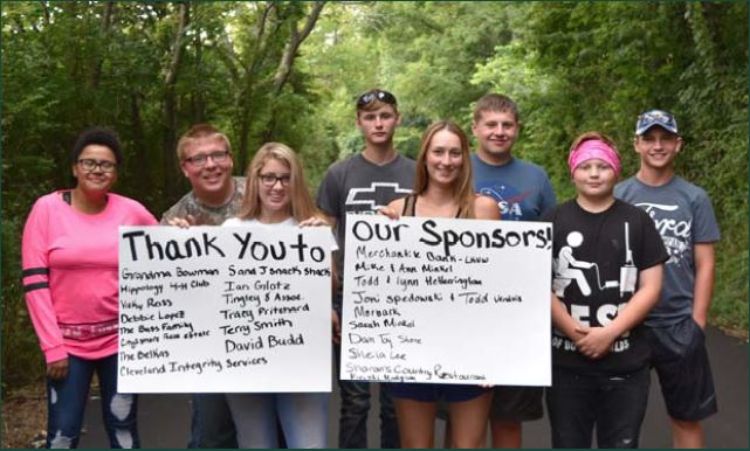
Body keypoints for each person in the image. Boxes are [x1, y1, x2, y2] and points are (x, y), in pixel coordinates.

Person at [21, 127, 158, 448]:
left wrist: (182, 230)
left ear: (116, 172)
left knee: (123, 429)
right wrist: (52, 346)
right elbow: (35, 282)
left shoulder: (131, 211)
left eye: (106, 164)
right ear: (74, 168)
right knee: (62, 434)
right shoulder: (47, 209)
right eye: (89, 162)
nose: (98, 169)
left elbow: (167, 253)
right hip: (68, 347)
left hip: (121, 344)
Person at [543, 131, 668, 448]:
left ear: (617, 169)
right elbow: (539, 286)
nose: (594, 173)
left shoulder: (639, 221)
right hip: (565, 365)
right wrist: (576, 334)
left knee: (622, 443)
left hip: (627, 367)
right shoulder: (552, 220)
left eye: (603, 166)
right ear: (573, 171)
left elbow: (651, 287)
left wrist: (609, 333)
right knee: (568, 443)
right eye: (586, 166)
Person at [380, 120, 501, 448]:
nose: (446, 161)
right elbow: (384, 288)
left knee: (466, 447)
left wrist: (499, 354)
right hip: (412, 349)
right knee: (416, 446)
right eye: (438, 152)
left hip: (471, 348)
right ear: (424, 157)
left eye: (454, 153)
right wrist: (379, 237)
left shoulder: (483, 210)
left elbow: (500, 286)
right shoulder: (398, 211)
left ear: (465, 158)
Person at [316, 88, 415, 448]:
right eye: (370, 117)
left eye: (385, 115)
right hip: (350, 298)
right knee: (355, 401)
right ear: (359, 122)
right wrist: (327, 298)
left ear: (397, 118)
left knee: (396, 402)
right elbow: (323, 237)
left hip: (402, 299)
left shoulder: (417, 172)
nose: (378, 123)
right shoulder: (338, 173)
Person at [614, 110, 719, 448]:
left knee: (686, 418)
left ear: (678, 144)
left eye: (665, 139)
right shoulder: (619, 195)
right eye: (649, 138)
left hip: (677, 323)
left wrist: (697, 323)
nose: (657, 145)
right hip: (630, 325)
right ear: (636, 145)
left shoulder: (694, 198)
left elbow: (704, 263)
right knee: (620, 421)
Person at [221, 142, 336, 448]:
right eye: (268, 177)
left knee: (309, 445)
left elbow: (327, 292)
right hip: (247, 360)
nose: (277, 186)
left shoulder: (312, 228)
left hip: (302, 360)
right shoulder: (231, 229)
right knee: (255, 444)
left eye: (285, 178)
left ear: (296, 181)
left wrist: (318, 245)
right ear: (254, 180)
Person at [467, 93, 557, 448]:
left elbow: (552, 238)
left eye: (507, 125)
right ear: (475, 128)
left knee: (508, 419)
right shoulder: (458, 169)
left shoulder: (536, 176)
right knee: (462, 421)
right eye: (491, 124)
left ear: (517, 129)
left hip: (521, 315)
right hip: (465, 312)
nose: (499, 132)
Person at [161, 123, 244, 448]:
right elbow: (162, 294)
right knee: (212, 433)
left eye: (217, 155)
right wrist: (171, 250)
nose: (210, 165)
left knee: (268, 433)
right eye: (198, 159)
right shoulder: (173, 219)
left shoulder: (264, 193)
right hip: (209, 349)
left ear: (231, 159)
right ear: (185, 168)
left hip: (268, 335)